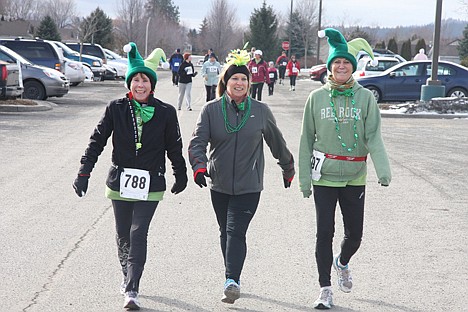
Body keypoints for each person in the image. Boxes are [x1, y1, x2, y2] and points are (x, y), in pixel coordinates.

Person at [72, 42, 187, 310]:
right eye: (135, 79)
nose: (140, 84)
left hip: (151, 182)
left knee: (138, 233)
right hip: (120, 181)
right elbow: (96, 141)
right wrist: (83, 172)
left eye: (145, 79)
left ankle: (133, 288)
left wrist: (180, 174)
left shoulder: (166, 112)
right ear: (129, 83)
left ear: (152, 85)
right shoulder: (116, 108)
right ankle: (127, 277)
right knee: (123, 234)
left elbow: (174, 146)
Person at [188, 47, 295, 305]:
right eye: (235, 78)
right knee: (225, 231)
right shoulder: (211, 110)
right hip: (220, 183)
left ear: (249, 83)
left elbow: (276, 142)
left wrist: (288, 168)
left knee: (236, 231)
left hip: (249, 185)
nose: (239, 82)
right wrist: (199, 166)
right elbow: (198, 141)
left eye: (244, 79)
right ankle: (231, 275)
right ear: (226, 82)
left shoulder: (260, 110)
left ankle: (231, 280)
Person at [298, 28, 391, 310]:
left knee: (355, 236)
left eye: (346, 63)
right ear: (330, 66)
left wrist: (383, 168)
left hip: (355, 177)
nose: (341, 66)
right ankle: (325, 288)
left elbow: (374, 135)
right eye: (337, 62)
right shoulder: (316, 98)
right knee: (324, 232)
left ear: (353, 66)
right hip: (324, 177)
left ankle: (343, 262)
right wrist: (304, 178)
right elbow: (305, 139)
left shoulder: (365, 98)